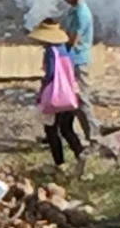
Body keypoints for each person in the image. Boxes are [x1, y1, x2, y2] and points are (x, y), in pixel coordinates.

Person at [31, 19, 86, 173]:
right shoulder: (67, 49)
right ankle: (80, 153)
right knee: (67, 128)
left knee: (51, 129)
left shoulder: (50, 51)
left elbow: (50, 75)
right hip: (69, 92)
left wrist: (42, 92)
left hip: (55, 94)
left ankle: (60, 164)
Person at [60, 0, 101, 145]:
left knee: (81, 100)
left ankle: (94, 137)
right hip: (71, 60)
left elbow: (73, 40)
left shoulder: (81, 14)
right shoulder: (73, 10)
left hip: (78, 62)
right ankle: (59, 131)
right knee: (63, 97)